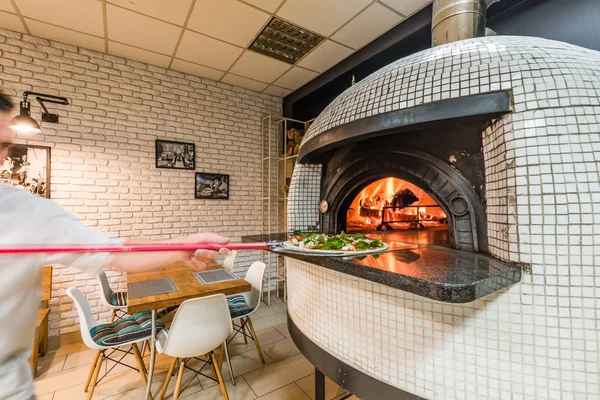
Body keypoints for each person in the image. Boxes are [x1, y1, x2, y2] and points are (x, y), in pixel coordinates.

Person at [0, 91, 229, 400]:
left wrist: (183, 245)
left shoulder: (24, 210)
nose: (4, 155)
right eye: (4, 145)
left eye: (5, 145)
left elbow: (115, 252)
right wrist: (183, 246)